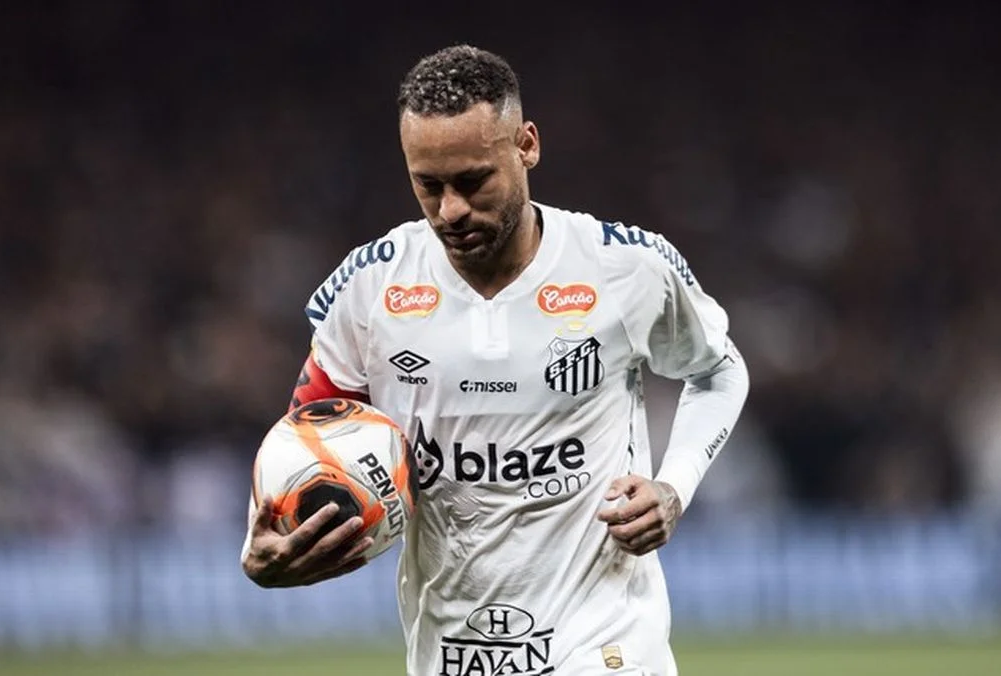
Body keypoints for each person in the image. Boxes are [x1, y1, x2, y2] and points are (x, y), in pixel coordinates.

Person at [241, 44, 750, 676]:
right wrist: (266, 540)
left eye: (473, 181)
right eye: (428, 185)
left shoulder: (623, 269)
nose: (450, 210)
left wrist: (673, 487)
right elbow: (307, 437)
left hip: (605, 648)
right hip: (448, 653)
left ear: (527, 146)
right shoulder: (371, 289)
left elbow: (719, 370)